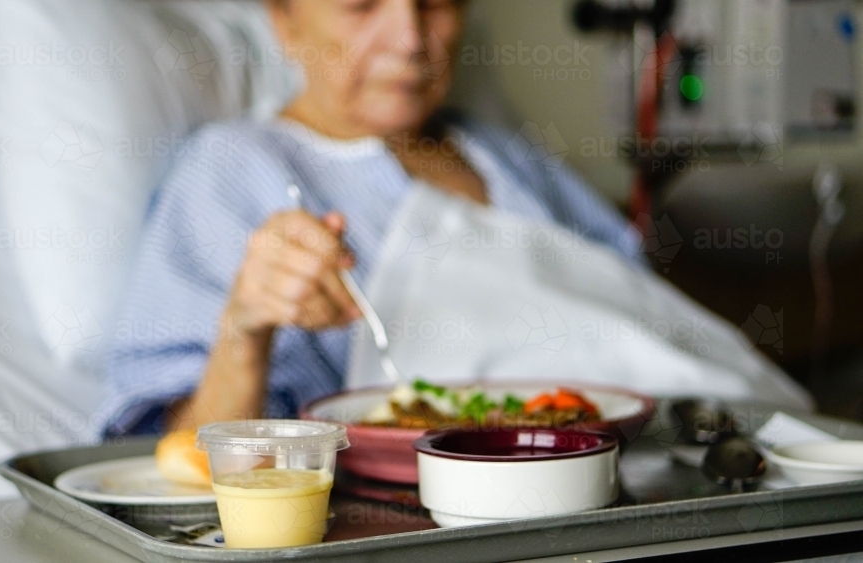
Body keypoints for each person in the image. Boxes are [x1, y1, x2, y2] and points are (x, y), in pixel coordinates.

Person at [99, 0, 663, 435]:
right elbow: (180, 462)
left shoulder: (505, 155)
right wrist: (244, 331)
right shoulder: (236, 168)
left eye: (435, 4)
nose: (410, 38)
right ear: (285, 21)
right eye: (363, 5)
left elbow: (641, 308)